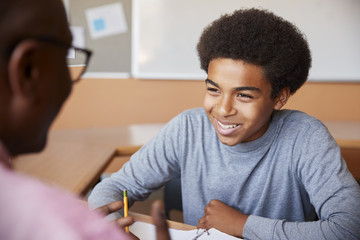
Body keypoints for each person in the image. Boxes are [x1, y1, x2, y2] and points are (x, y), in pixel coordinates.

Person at [88, 8, 360, 239]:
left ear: (279, 97)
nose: (222, 109)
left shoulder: (305, 137)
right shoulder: (188, 129)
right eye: (214, 90)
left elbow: (350, 228)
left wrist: (242, 225)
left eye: (243, 95)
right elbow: (115, 187)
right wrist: (110, 229)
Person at [0, 0, 170, 239]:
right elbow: (116, 185)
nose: (71, 83)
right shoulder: (60, 224)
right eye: (67, 56)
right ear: (28, 70)